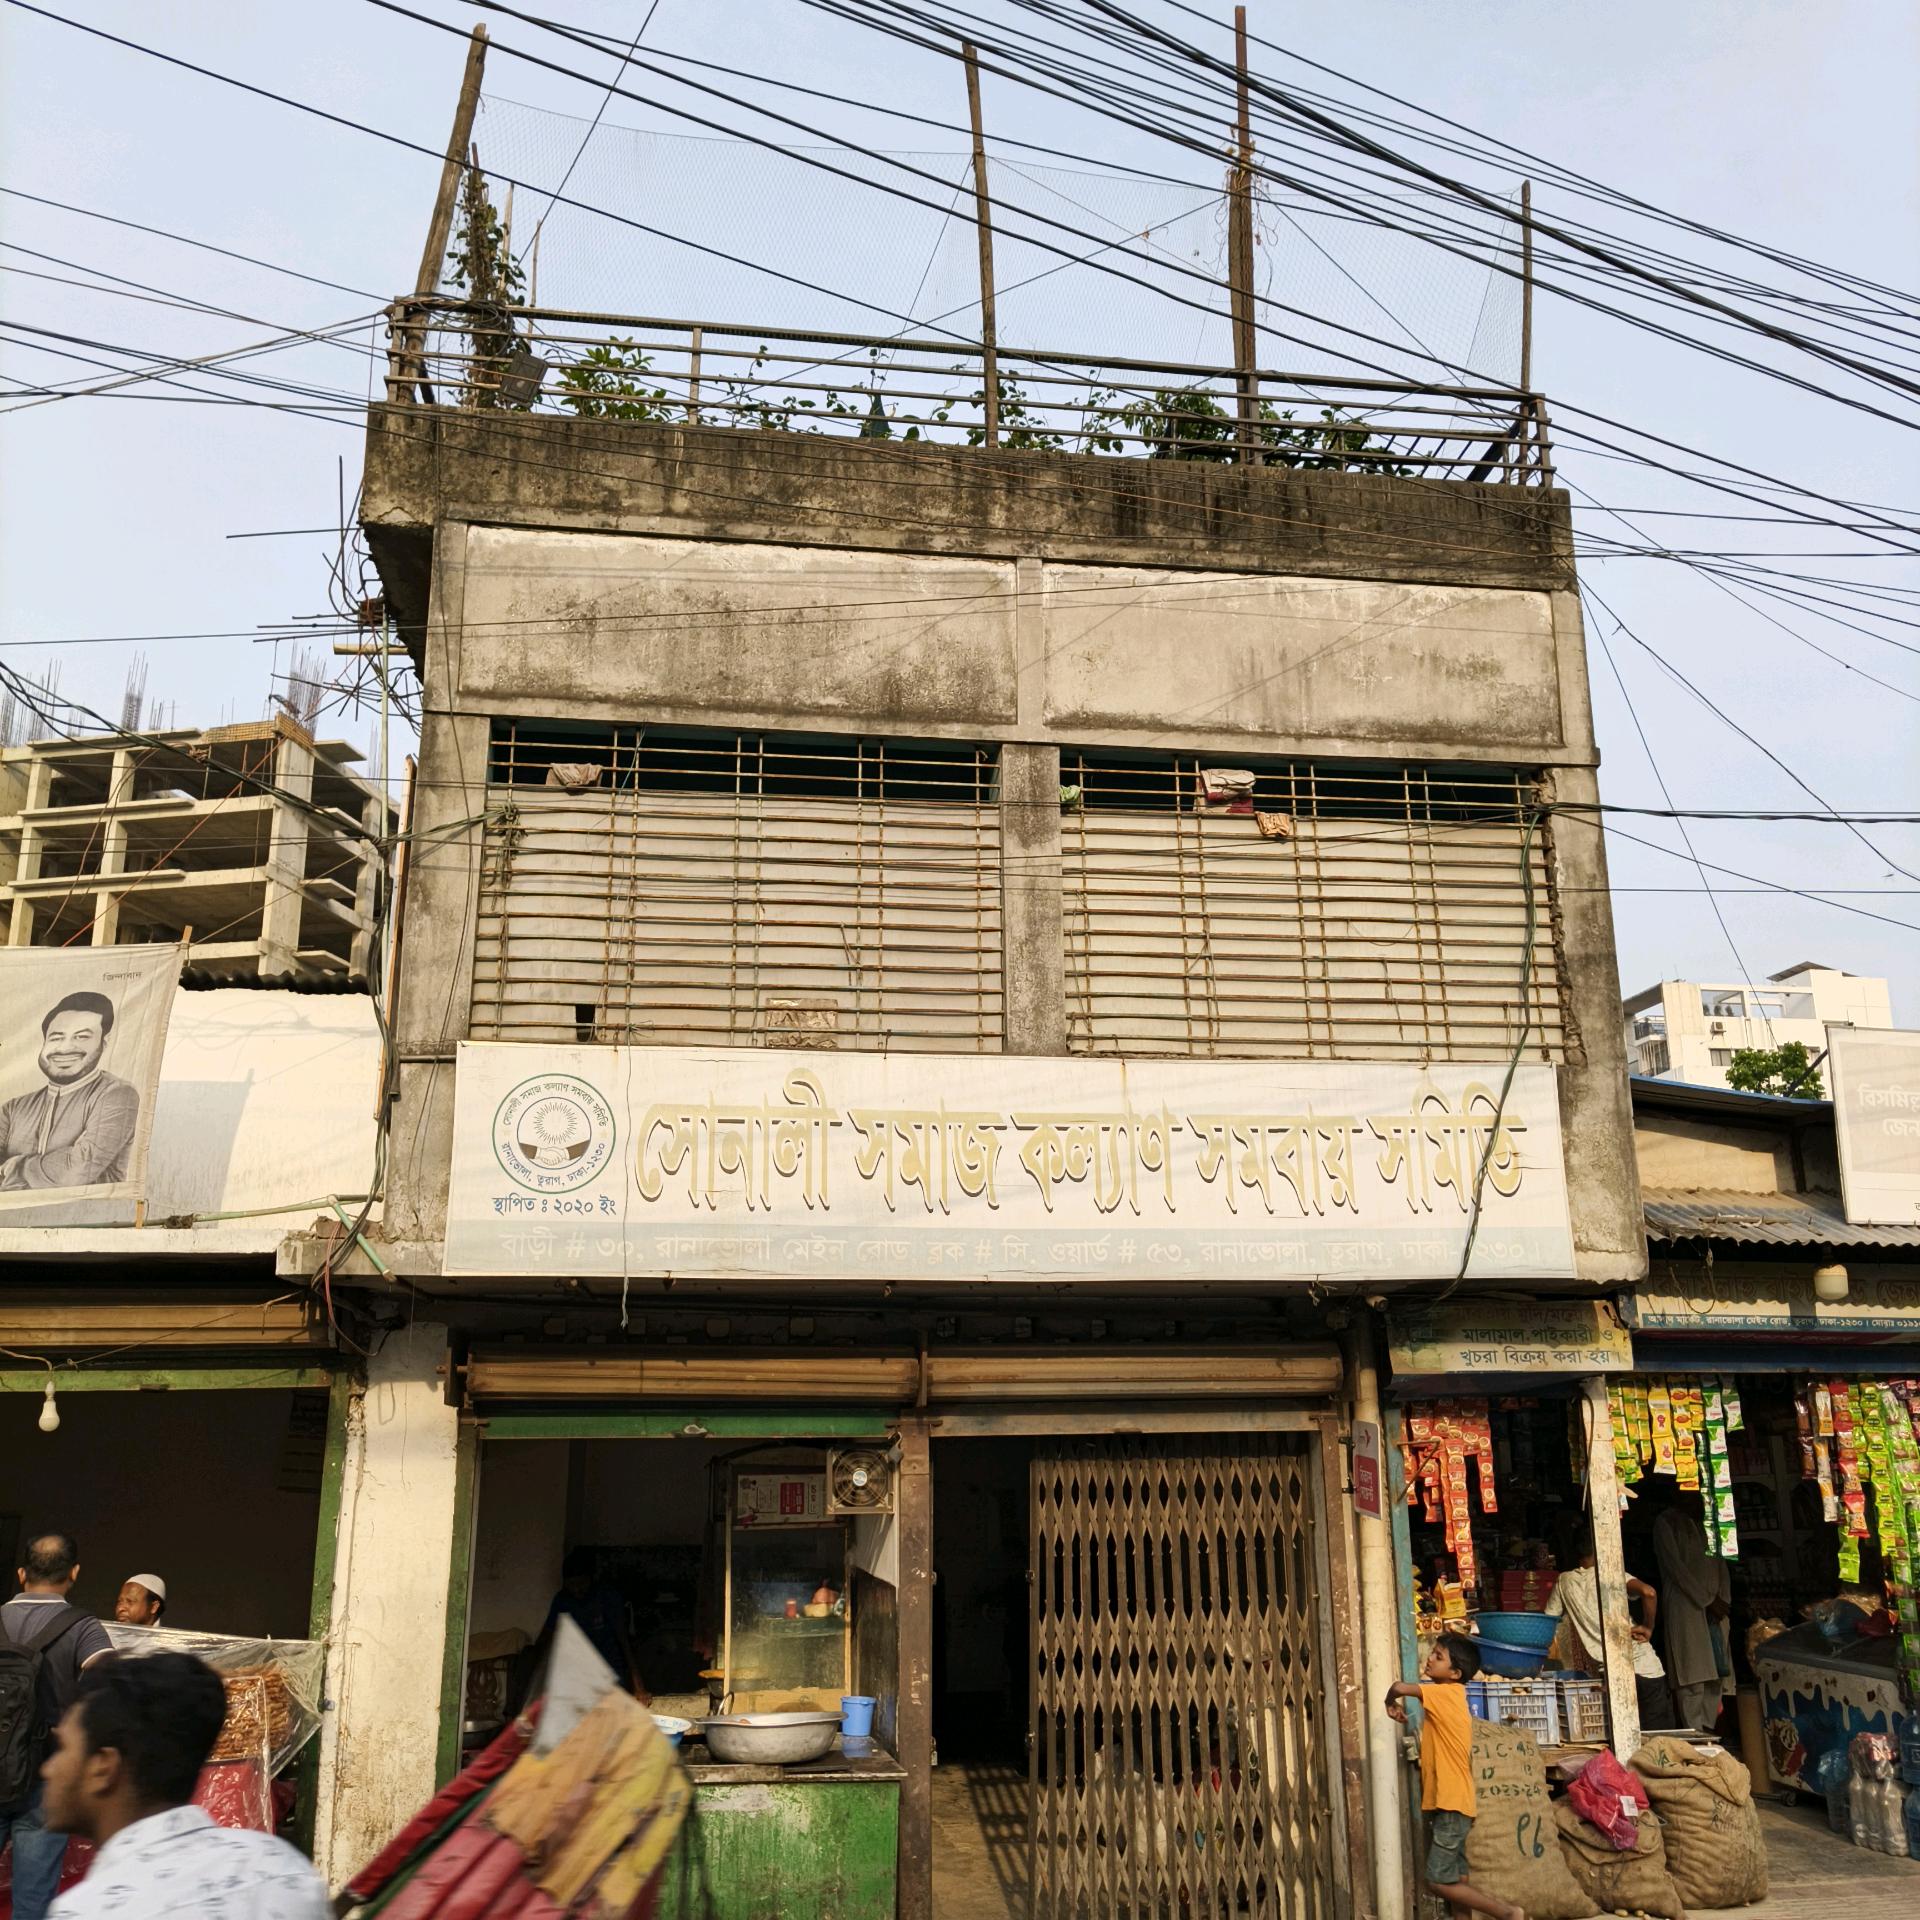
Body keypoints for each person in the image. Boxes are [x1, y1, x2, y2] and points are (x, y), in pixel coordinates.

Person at [39, 1650, 327, 1917]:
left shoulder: (87, 1910)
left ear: (103, 1767)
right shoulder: (282, 1867)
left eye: (62, 1748)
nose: (47, 1770)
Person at [1, 1533, 115, 1920]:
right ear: (74, 1573)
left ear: (21, 1574)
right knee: (33, 1902)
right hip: (47, 1780)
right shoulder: (83, 1627)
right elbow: (111, 1688)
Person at [1386, 1633, 1525, 1920]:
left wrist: (1390, 1702)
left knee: (1437, 1880)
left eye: (1438, 1656)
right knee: (1458, 1878)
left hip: (1451, 1804)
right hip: (1457, 1803)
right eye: (1432, 1652)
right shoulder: (1451, 1695)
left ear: (1455, 1673)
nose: (1430, 1658)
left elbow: (1398, 1687)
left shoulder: (1445, 1693)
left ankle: (1508, 1913)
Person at [0, 994, 140, 1192]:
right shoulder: (14, 1108)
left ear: (104, 1043)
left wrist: (16, 1166)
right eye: (56, 1037)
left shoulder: (117, 1095)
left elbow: (77, 1170)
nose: (65, 1048)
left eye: (81, 1037)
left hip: (85, 1210)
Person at [1544, 1546, 1676, 1729]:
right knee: (1659, 1738)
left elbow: (1548, 1620)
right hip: (1645, 1670)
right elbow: (1649, 1592)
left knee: (1624, 1735)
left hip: (1612, 1674)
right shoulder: (1610, 1574)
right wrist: (1648, 1627)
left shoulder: (1564, 1581)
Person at [1652, 1495, 1734, 1731]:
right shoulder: (1666, 1523)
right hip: (1686, 1608)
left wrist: (1723, 1599)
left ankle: (1709, 1730)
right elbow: (1676, 1569)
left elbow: (1721, 1564)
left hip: (1716, 1610)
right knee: (1692, 1677)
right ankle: (1695, 1733)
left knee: (1715, 1677)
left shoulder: (1707, 1524)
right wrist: (1707, 1601)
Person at [537, 1549, 642, 1697]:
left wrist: (639, 1686)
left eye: (582, 1583)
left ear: (591, 1578)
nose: (577, 1589)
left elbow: (624, 1641)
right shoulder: (562, 1601)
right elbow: (546, 1635)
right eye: (571, 1584)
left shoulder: (607, 1596)